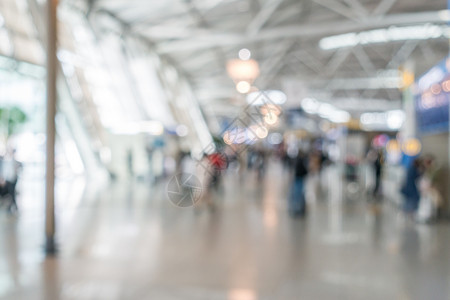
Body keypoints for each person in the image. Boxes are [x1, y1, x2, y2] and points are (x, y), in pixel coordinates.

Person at [289, 151, 308, 217]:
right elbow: (304, 171)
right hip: (299, 179)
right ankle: (298, 210)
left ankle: (298, 209)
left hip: (298, 179)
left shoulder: (297, 160)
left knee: (298, 195)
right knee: (298, 195)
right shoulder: (300, 161)